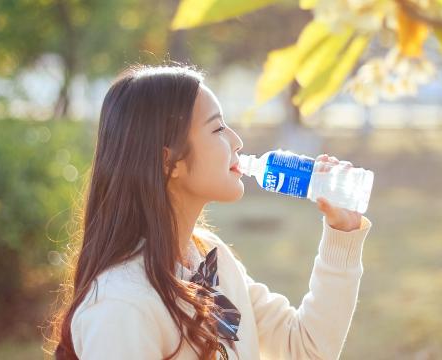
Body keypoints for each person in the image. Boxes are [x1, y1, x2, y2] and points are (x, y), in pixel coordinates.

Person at [47, 64, 372, 360]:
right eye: (217, 130)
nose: (237, 141)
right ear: (167, 161)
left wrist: (342, 231)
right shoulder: (120, 307)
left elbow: (304, 348)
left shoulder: (209, 258)